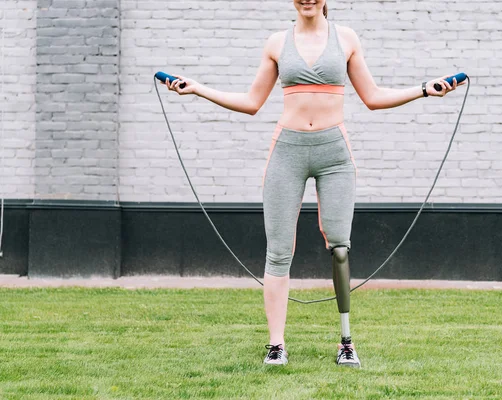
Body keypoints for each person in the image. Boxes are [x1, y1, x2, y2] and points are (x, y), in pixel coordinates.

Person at [164, 0, 464, 368]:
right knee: (278, 252)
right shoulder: (277, 42)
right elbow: (252, 101)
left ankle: (346, 341)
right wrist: (198, 88)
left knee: (340, 247)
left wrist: (422, 89)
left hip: (334, 153)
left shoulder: (346, 38)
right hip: (287, 151)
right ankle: (276, 345)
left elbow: (372, 97)